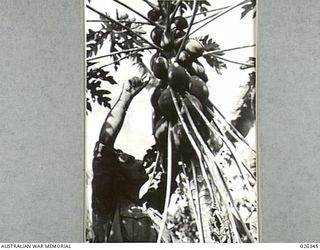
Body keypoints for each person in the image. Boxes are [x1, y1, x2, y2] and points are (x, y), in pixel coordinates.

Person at [91, 76, 166, 242]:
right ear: (118, 176)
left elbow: (168, 161)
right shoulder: (107, 205)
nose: (140, 162)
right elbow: (104, 146)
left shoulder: (152, 208)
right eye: (131, 161)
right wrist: (125, 97)